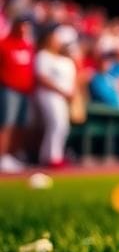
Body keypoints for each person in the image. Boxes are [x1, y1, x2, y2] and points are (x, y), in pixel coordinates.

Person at [35, 26, 77, 168]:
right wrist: (62, 91)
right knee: (56, 124)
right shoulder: (43, 55)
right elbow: (42, 77)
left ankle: (52, 155)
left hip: (62, 97)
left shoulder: (65, 60)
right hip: (49, 94)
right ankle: (52, 157)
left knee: (63, 126)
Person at [0, 17, 35, 173]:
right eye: (21, 27)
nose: (23, 30)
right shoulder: (4, 44)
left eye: (26, 27)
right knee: (7, 124)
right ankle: (2, 156)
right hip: (9, 90)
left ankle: (12, 156)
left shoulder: (28, 46)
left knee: (21, 125)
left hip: (25, 91)